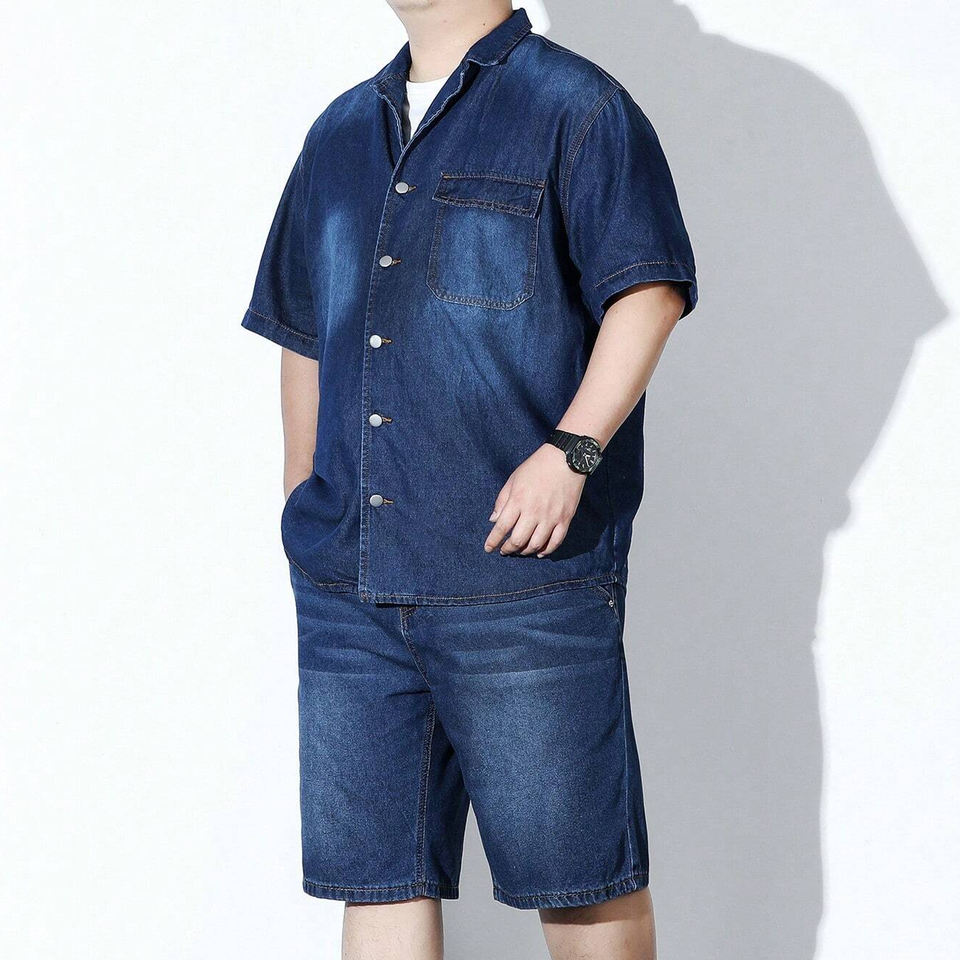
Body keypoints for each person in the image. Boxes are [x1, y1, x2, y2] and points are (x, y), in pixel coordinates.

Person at [241, 2, 697, 957]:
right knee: (379, 882)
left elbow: (648, 292)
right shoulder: (340, 130)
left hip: (518, 579)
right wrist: (302, 498)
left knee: (582, 883)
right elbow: (301, 331)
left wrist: (570, 453)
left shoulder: (576, 107)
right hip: (350, 587)